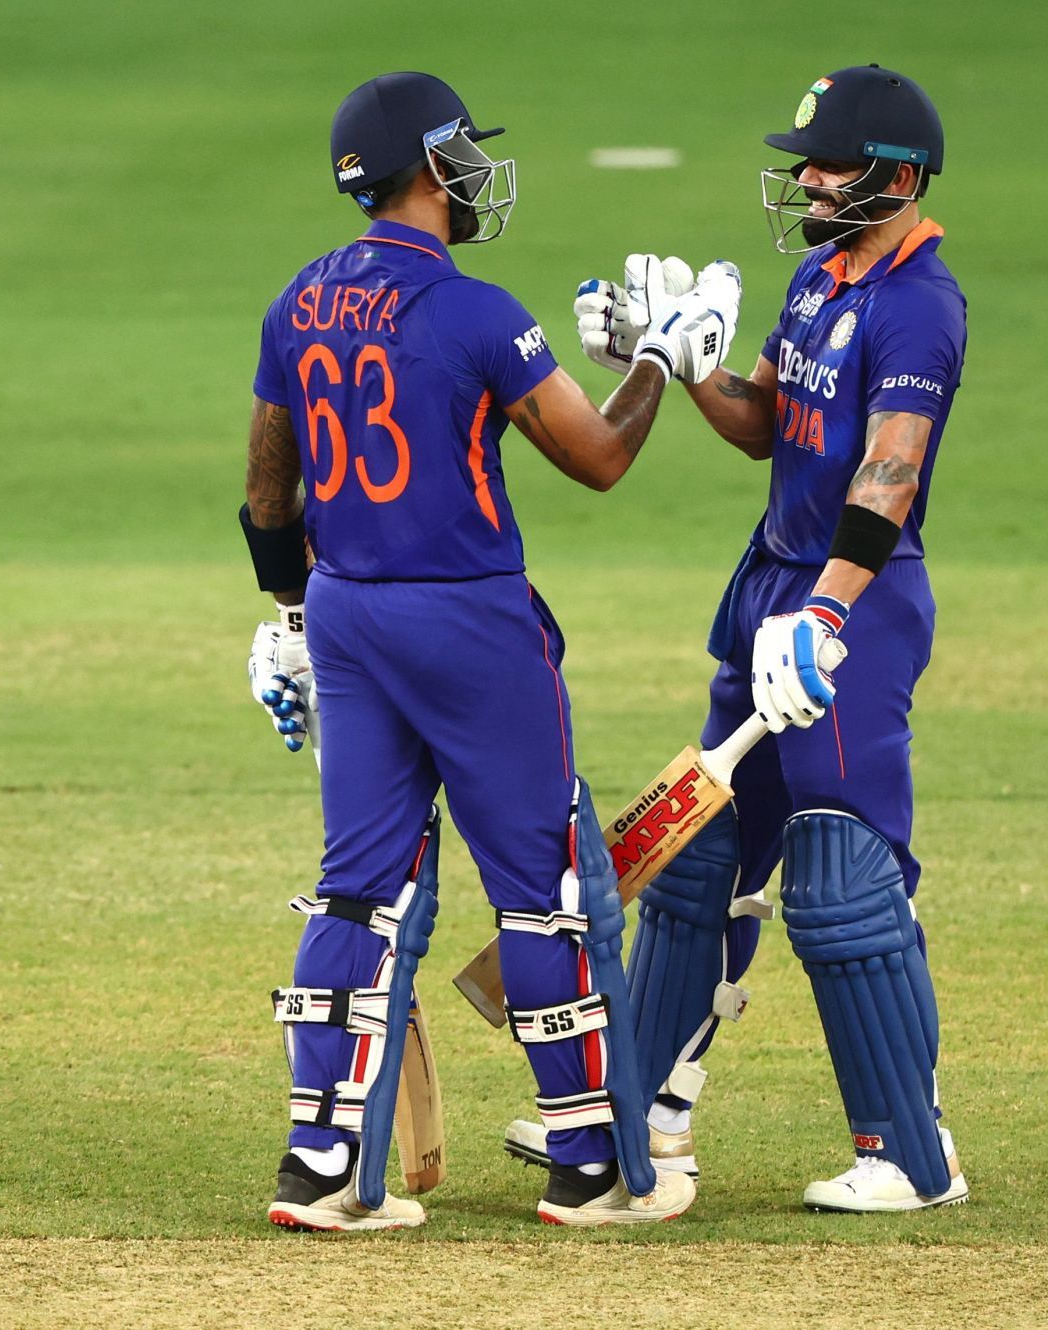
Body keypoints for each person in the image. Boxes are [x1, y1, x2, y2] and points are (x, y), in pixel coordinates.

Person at [237, 70, 738, 1230]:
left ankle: (318, 1168)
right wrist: (658, 360)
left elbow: (269, 493)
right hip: (470, 622)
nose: (472, 171)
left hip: (351, 619)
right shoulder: (475, 312)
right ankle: (591, 1166)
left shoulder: (296, 302)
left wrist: (292, 619)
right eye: (460, 150)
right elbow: (600, 457)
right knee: (547, 885)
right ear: (426, 167)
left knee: (356, 889)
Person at [546, 63, 970, 1212]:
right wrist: (681, 366)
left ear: (897, 174)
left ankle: (910, 1155)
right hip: (767, 589)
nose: (809, 182)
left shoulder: (919, 303)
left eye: (828, 165)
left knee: (841, 872)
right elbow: (763, 428)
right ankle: (650, 1116)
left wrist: (827, 614)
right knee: (700, 857)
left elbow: (889, 478)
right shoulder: (817, 279)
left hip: (854, 613)